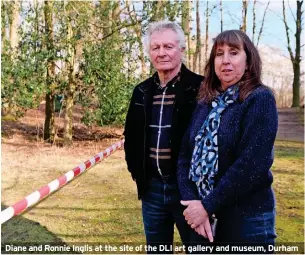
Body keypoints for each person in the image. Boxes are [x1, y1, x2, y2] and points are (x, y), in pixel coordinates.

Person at [177, 30, 278, 247]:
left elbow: (252, 164)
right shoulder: (206, 101)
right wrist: (193, 202)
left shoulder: (259, 99)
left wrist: (207, 205)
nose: (225, 61)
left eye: (233, 53)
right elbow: (185, 153)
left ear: (248, 60)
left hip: (246, 220)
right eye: (219, 54)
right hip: (202, 219)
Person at [124, 20, 203, 253]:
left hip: (191, 192)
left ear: (181, 49)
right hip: (152, 191)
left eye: (168, 46)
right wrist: (137, 173)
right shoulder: (141, 91)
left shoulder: (201, 88)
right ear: (149, 52)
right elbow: (130, 137)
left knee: (200, 249)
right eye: (155, 47)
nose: (161, 53)